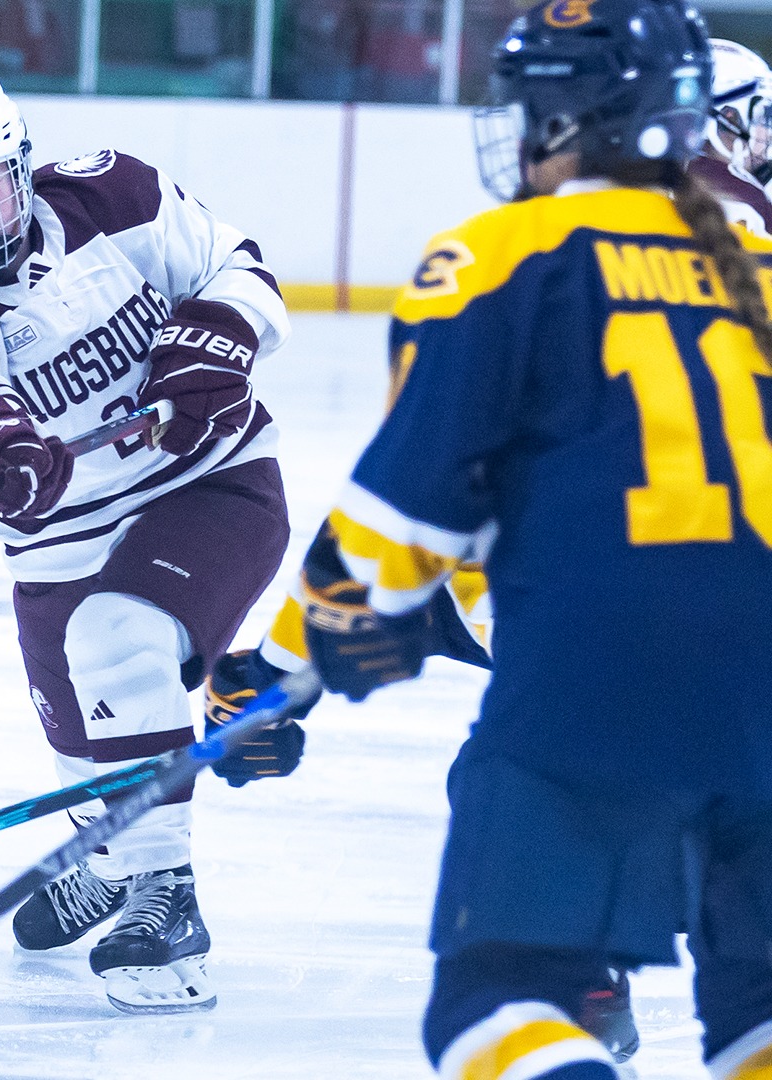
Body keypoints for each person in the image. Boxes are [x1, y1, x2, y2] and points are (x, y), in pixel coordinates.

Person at [296, 0, 772, 1075]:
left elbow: (399, 523)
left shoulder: (507, 253)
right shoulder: (759, 260)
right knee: (757, 1008)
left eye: (540, 111)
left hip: (606, 679)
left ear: (591, 122)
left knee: (490, 1003)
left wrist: (305, 652)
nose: (520, 135)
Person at [0, 69, 292, 1012]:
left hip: (212, 486)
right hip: (63, 549)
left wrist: (218, 337)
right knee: (88, 751)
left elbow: (243, 269)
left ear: (21, 170)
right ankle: (109, 854)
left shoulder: (116, 192)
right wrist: (2, 454)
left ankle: (166, 899)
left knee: (117, 644)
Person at [694, 39, 772, 233]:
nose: (766, 132)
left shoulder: (649, 177)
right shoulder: (748, 196)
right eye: (763, 117)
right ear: (730, 119)